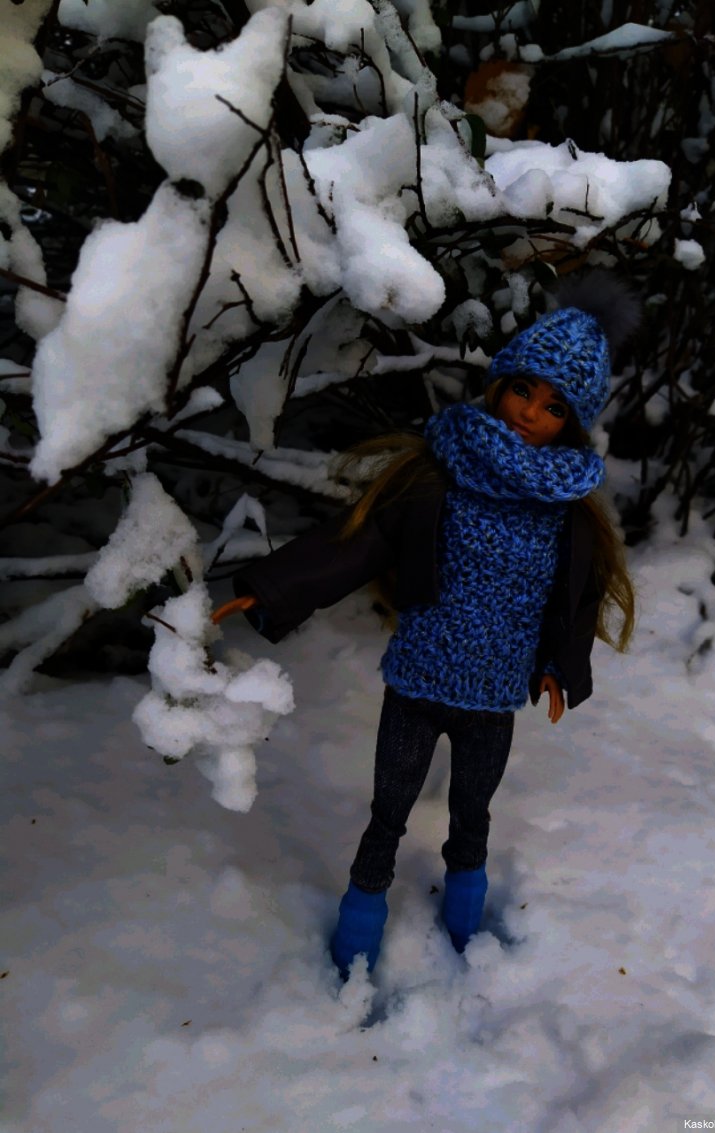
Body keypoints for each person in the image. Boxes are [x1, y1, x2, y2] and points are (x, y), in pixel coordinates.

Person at [215, 282, 637, 978]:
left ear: (573, 422)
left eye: (555, 405)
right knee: (388, 810)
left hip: (494, 700)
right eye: (523, 390)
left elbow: (576, 599)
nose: (531, 412)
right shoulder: (440, 474)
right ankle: (361, 917)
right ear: (500, 384)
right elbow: (358, 542)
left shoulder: (564, 509)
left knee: (473, 814)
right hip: (416, 683)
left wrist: (561, 666)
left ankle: (466, 922)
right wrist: (275, 587)